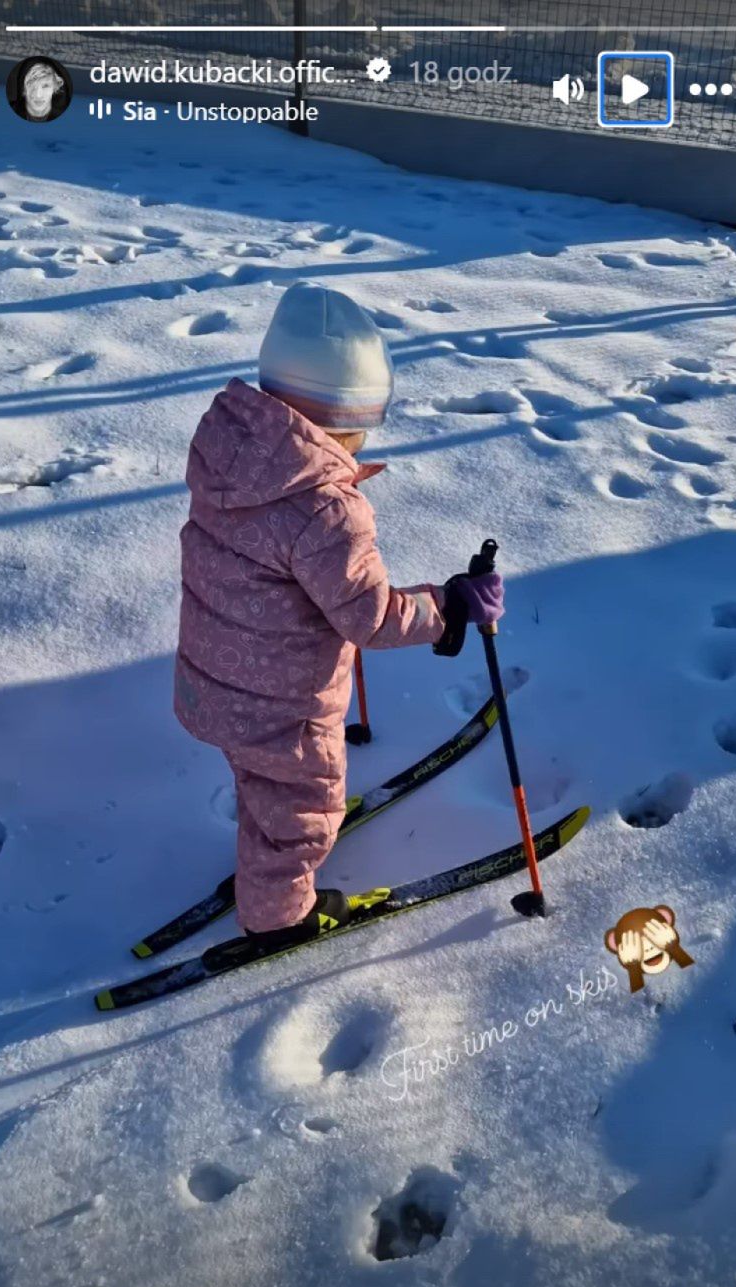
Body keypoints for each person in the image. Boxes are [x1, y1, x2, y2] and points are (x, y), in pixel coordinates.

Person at [174, 283, 504, 949]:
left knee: (262, 782)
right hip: (286, 704)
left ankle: (261, 862)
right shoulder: (323, 507)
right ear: (333, 421)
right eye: (359, 431)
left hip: (215, 680)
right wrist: (449, 606)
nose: (357, 449)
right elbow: (371, 620)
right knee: (305, 813)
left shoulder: (231, 454)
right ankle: (277, 913)